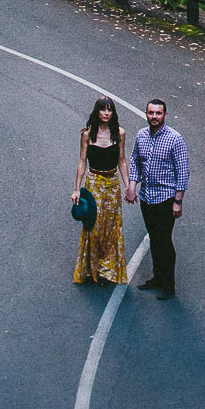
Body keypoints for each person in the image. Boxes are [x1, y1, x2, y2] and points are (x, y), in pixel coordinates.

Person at [73, 97, 135, 284]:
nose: (106, 113)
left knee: (111, 227)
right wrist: (76, 189)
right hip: (93, 184)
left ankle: (107, 270)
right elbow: (82, 161)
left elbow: (122, 161)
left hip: (112, 184)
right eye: (103, 109)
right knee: (94, 226)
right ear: (97, 112)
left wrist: (128, 186)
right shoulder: (87, 135)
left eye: (110, 110)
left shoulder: (120, 134)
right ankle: (92, 268)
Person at [131, 99, 188, 299]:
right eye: (151, 113)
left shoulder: (175, 139)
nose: (154, 117)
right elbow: (135, 162)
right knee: (154, 238)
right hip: (147, 197)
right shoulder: (141, 136)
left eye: (158, 113)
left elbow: (182, 171)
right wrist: (132, 186)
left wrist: (178, 201)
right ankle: (157, 277)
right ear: (146, 113)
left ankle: (168, 284)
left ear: (165, 115)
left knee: (164, 241)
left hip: (166, 198)